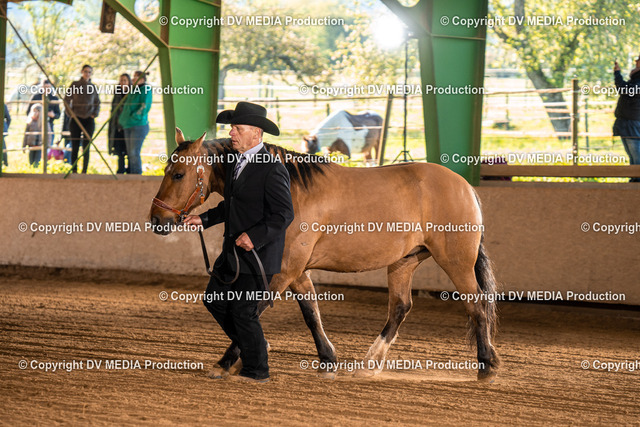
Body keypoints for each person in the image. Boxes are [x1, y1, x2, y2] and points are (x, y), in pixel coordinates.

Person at [184, 102, 294, 383]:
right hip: (232, 252)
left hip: (258, 256)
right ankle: (254, 345)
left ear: (256, 133)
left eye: (238, 128)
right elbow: (230, 206)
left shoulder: (272, 169)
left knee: (244, 312)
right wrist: (204, 219)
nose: (231, 133)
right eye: (232, 128)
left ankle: (257, 371)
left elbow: (284, 214)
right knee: (214, 301)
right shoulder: (236, 162)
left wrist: (255, 236)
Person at [64, 64, 100, 173]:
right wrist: (70, 113)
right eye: (85, 71)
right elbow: (66, 99)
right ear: (82, 72)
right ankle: (74, 169)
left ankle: (85, 170)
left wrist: (94, 114)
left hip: (89, 119)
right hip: (76, 118)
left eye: (89, 72)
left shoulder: (93, 87)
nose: (87, 74)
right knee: (75, 146)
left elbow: (97, 102)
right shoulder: (75, 85)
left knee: (86, 146)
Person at [613, 56, 640, 182]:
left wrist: (617, 74)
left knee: (636, 154)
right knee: (632, 154)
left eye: (638, 60)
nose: (636, 61)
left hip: (631, 122)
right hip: (627, 122)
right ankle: (634, 180)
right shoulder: (635, 79)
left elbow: (624, 89)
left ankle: (637, 181)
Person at [119, 71, 152, 174]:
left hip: (138, 125)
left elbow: (144, 106)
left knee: (134, 152)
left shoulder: (146, 89)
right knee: (130, 153)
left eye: (135, 77)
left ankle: (137, 175)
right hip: (127, 124)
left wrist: (134, 116)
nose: (133, 79)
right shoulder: (133, 90)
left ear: (142, 79)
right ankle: (132, 175)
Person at [108, 73, 131, 173]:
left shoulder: (132, 94)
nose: (123, 82)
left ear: (129, 82)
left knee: (129, 150)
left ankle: (130, 170)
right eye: (121, 80)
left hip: (129, 126)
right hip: (118, 126)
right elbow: (113, 109)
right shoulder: (117, 94)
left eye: (125, 80)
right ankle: (120, 170)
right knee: (119, 150)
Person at [27, 79, 61, 146]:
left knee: (48, 146)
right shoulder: (36, 97)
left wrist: (53, 115)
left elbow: (58, 114)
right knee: (35, 147)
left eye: (48, 87)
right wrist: (36, 115)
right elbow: (28, 112)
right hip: (36, 126)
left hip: (49, 126)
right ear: (42, 87)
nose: (46, 89)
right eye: (45, 87)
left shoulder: (54, 98)